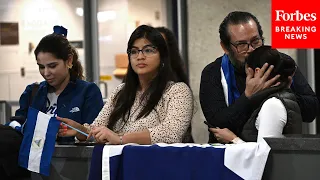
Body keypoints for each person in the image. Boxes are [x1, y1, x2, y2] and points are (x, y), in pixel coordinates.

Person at [58, 25, 194, 145]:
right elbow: (96, 130)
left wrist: (120, 138)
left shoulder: (177, 91)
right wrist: (78, 130)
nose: (140, 56)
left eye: (148, 50)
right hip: (119, 167)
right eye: (134, 51)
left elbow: (171, 133)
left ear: (162, 56)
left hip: (159, 167)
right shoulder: (120, 91)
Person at [0, 26, 104, 179]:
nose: (46, 73)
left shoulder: (88, 92)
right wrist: (28, 128)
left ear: (69, 61)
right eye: (41, 67)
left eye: (52, 66)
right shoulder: (33, 92)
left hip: (73, 167)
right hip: (30, 167)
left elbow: (98, 134)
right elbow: (15, 124)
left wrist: (77, 130)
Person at [200, 11, 319, 143]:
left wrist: (280, 92)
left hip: (273, 154)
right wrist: (248, 96)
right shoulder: (213, 72)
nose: (251, 49)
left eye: (255, 41)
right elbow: (218, 127)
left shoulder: (279, 62)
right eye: (242, 45)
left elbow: (312, 110)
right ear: (225, 47)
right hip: (226, 155)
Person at [210, 46, 302, 143]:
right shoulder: (277, 98)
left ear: (257, 72)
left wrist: (233, 139)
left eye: (247, 73)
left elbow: (265, 154)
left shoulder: (272, 105)